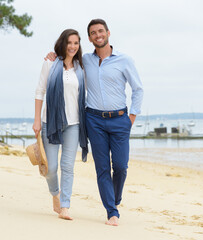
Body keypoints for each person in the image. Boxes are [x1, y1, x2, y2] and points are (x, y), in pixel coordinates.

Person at [46, 19, 143, 226]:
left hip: (119, 120)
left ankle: (114, 199)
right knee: (101, 168)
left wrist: (131, 118)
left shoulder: (124, 60)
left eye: (101, 31)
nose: (98, 35)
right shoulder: (85, 61)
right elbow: (66, 63)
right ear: (89, 38)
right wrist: (53, 56)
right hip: (94, 120)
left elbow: (138, 89)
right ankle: (112, 212)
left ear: (108, 33)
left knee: (120, 166)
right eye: (93, 33)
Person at [33, 29, 88, 220]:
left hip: (74, 123)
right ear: (62, 43)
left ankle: (65, 206)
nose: (73, 46)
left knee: (67, 166)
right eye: (69, 42)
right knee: (51, 168)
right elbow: (40, 92)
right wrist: (37, 120)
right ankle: (55, 193)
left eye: (76, 43)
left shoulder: (81, 67)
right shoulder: (50, 63)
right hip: (51, 122)